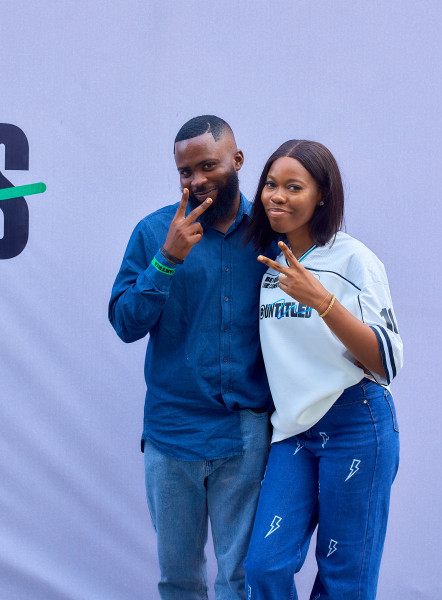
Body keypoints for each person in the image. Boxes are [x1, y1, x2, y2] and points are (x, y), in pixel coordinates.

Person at [108, 115, 275, 600]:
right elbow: (124, 323)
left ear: (238, 161)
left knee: (238, 579)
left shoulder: (269, 233)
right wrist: (167, 260)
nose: (196, 180)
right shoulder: (155, 232)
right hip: (171, 435)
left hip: (244, 435)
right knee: (179, 580)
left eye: (208, 166)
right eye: (186, 172)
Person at [244, 140, 403, 600]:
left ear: (323, 196)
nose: (277, 196)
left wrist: (323, 301)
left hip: (357, 421)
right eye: (270, 184)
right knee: (264, 567)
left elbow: (386, 361)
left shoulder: (354, 260)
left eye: (294, 187)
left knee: (343, 581)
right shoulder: (267, 261)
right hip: (293, 430)